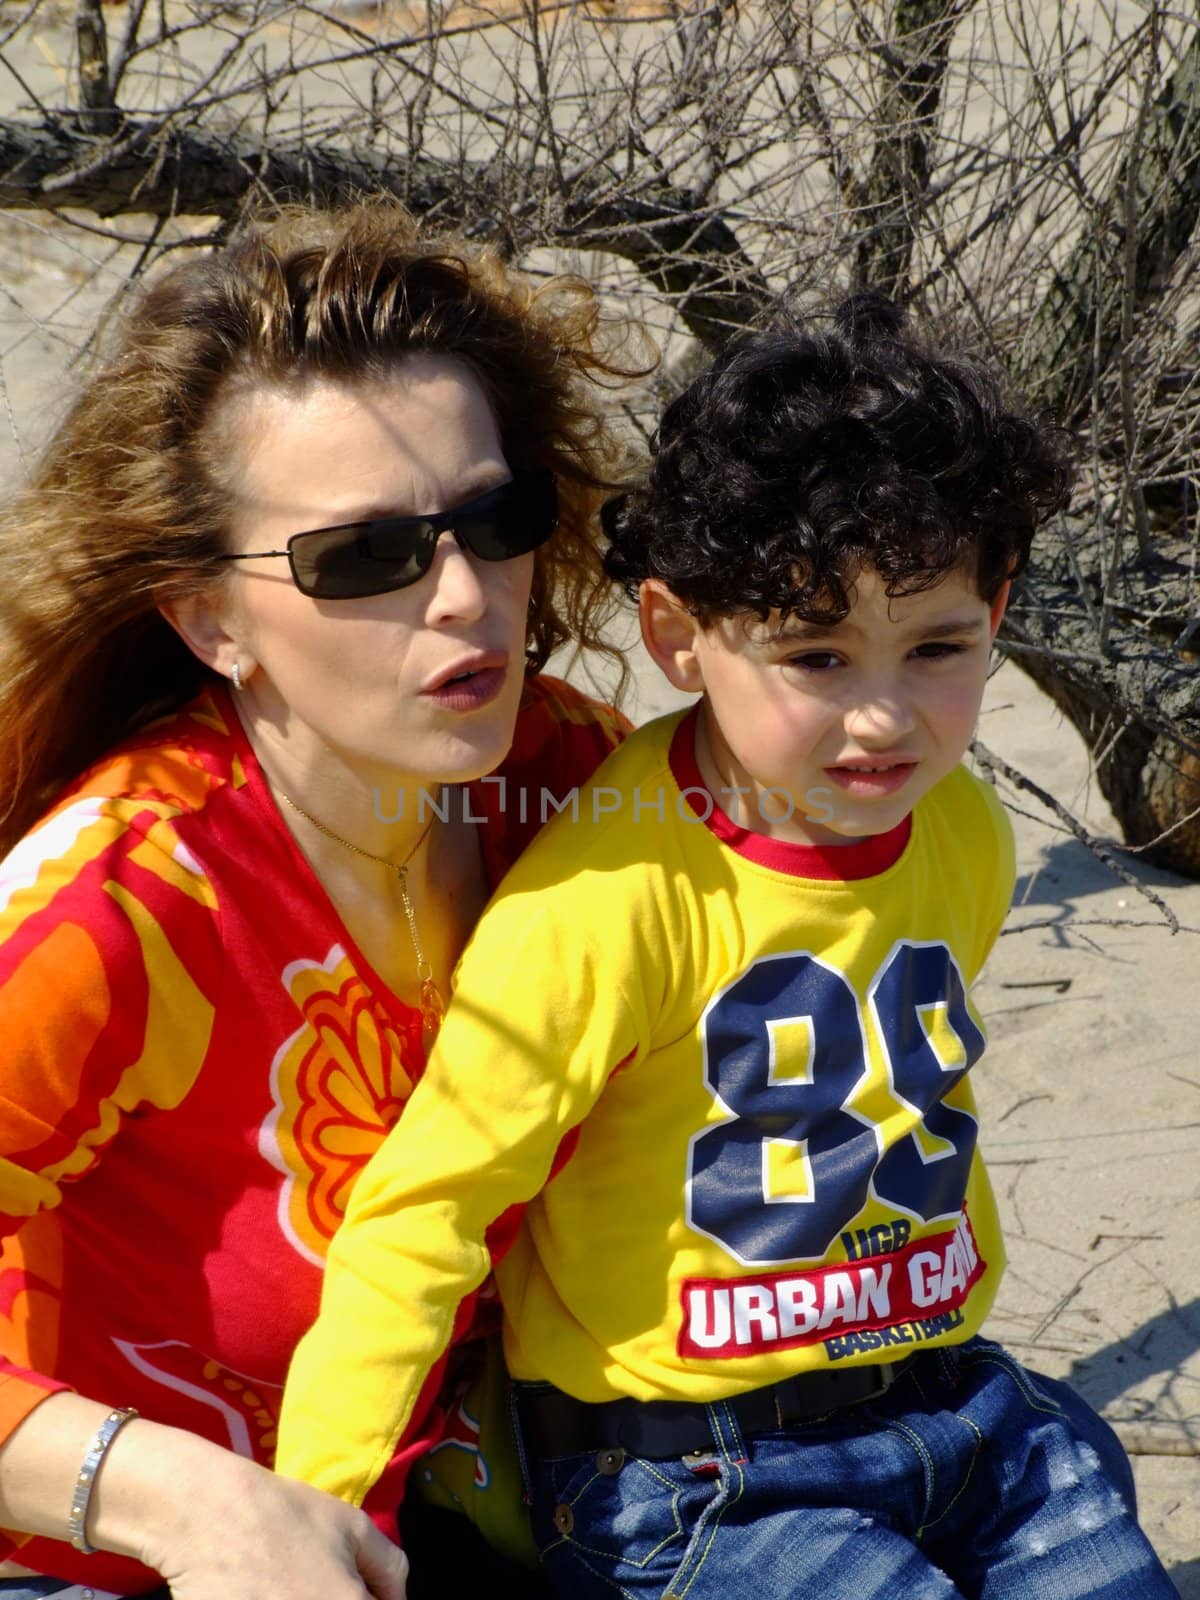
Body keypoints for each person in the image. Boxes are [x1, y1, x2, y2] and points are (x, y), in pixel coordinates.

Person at [275, 302, 1178, 1598]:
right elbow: (425, 1217)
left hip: (961, 1408)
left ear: (1000, 610)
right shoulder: (605, 903)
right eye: (814, 654)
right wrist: (318, 1509)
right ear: (678, 633)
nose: (883, 715)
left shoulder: (961, 827)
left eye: (939, 646)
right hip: (696, 1474)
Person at [0, 198, 643, 1600]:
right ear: (207, 616)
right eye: (366, 558)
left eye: (495, 517)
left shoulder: (580, 786)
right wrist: (174, 1497)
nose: (469, 596)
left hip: (490, 1511)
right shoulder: (121, 901)